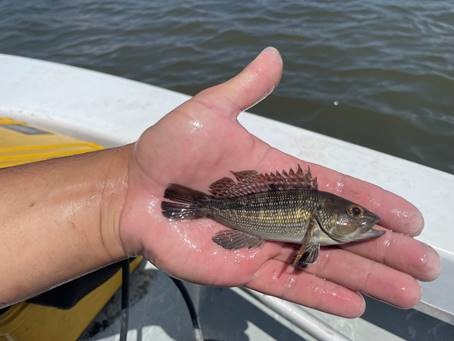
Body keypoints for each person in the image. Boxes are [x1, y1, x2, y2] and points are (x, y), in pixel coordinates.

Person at [0, 47, 440, 318]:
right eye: (356, 214)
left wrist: (119, 192)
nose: (361, 219)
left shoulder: (317, 225)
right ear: (330, 215)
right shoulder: (315, 221)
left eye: (358, 215)